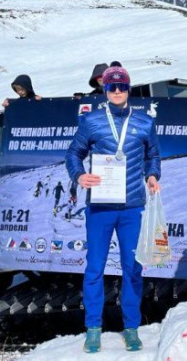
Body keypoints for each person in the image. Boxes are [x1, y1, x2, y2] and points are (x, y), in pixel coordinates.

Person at [65, 62, 161, 354]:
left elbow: (153, 155)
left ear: (128, 89)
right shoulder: (91, 121)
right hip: (100, 207)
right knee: (95, 268)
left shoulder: (144, 122)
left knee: (133, 268)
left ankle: (131, 327)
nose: (117, 91)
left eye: (122, 86)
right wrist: (79, 175)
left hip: (132, 207)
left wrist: (153, 174)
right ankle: (93, 329)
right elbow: (74, 154)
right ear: (105, 89)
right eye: (111, 86)